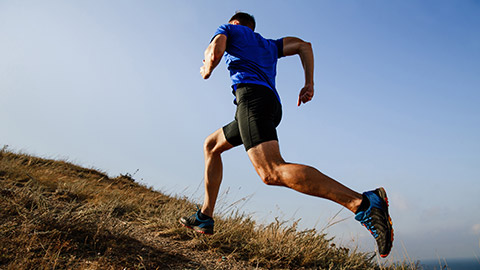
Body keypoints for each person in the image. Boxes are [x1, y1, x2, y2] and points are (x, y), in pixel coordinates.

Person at [180, 12, 393, 258]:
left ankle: (363, 203)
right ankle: (205, 216)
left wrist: (208, 66)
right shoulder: (270, 45)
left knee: (270, 171)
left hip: (252, 102)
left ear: (235, 23)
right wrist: (309, 83)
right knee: (211, 145)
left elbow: (215, 50)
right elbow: (305, 46)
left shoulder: (230, 29)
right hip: (269, 105)